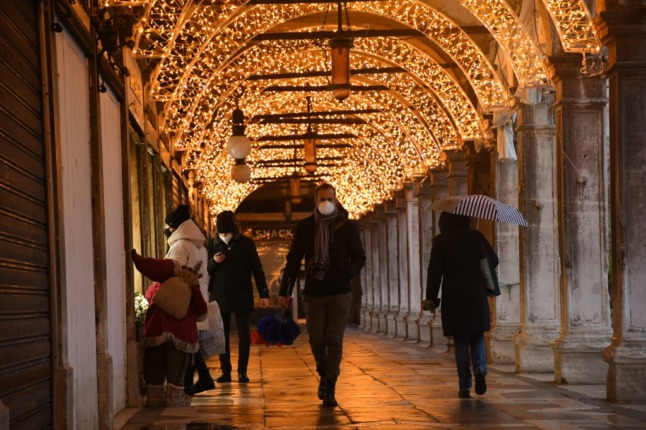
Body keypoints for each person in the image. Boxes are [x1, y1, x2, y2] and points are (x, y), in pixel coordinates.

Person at [279, 183, 366, 407]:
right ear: (316, 202)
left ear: (336, 200)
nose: (326, 202)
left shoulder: (348, 227)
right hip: (315, 292)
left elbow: (359, 258)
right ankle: (324, 372)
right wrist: (285, 291)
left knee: (334, 339)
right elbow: (293, 259)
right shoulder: (306, 227)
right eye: (322, 199)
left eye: (330, 198)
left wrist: (345, 273)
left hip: (340, 292)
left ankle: (330, 385)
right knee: (317, 340)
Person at [424, 212, 498, 399]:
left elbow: (434, 272)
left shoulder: (441, 241)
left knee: (461, 340)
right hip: (476, 292)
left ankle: (464, 385)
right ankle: (480, 369)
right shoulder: (476, 236)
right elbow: (494, 260)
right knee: (477, 334)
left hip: (453, 294)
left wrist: (431, 297)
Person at [132, 251, 207, 407]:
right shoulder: (190, 284)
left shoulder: (159, 284)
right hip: (180, 334)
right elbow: (201, 310)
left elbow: (148, 298)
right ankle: (175, 397)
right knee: (177, 368)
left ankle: (154, 397)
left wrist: (135, 256)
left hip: (156, 331)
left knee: (155, 366)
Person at [207, 210, 269, 383]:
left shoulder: (245, 243)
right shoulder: (211, 244)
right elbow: (204, 269)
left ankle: (243, 371)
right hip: (220, 295)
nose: (224, 236)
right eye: (221, 233)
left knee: (243, 335)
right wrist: (214, 262)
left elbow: (257, 269)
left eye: (227, 233)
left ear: (233, 230)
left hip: (242, 293)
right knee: (222, 335)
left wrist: (264, 293)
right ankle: (225, 371)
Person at [164, 204, 215, 396]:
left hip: (184, 297)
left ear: (175, 227)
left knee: (186, 340)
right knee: (190, 338)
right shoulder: (197, 244)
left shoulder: (180, 245)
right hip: (196, 295)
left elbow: (174, 271)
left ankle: (190, 381)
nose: (168, 230)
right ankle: (200, 378)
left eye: (169, 227)